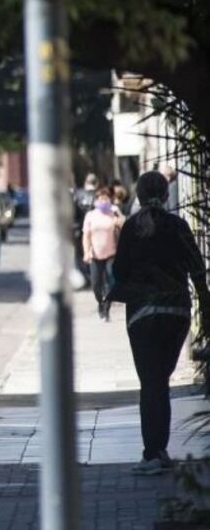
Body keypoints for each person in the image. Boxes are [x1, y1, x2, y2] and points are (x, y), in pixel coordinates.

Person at [110, 171, 210, 475]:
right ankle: (160, 450)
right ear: (166, 195)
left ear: (138, 195)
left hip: (142, 315)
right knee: (160, 381)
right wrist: (204, 308)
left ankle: (152, 453)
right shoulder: (178, 226)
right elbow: (196, 267)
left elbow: (119, 271)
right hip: (176, 312)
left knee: (150, 382)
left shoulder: (131, 229)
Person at [82, 186, 124, 321]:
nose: (103, 201)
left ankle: (107, 307)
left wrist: (118, 218)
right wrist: (86, 252)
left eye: (105, 198)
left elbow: (124, 224)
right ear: (96, 200)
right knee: (96, 284)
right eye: (100, 199)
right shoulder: (91, 215)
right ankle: (100, 302)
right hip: (95, 254)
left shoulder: (113, 212)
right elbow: (86, 236)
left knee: (112, 282)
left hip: (111, 253)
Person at [73, 173, 99, 281]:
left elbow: (73, 213)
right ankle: (93, 276)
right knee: (95, 253)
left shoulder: (78, 195)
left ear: (85, 182)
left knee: (80, 254)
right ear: (96, 183)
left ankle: (84, 276)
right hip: (96, 229)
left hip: (80, 230)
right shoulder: (99, 195)